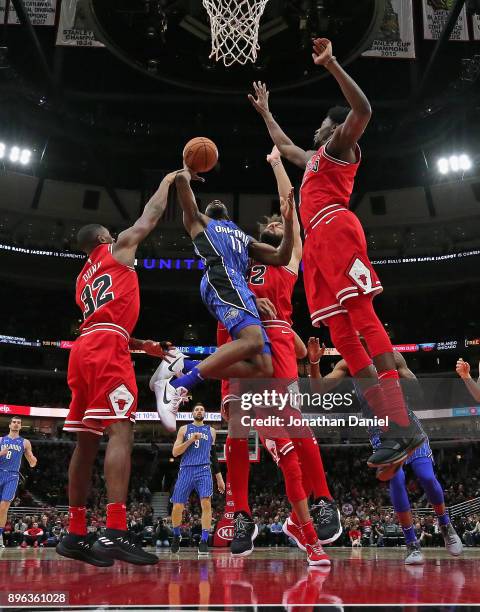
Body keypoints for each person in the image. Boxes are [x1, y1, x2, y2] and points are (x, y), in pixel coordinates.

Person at [249, 38, 424, 472]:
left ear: (333, 127)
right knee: (343, 338)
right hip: (318, 246)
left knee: (364, 319)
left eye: (321, 125)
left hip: (339, 229)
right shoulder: (311, 158)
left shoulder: (341, 146)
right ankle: (386, 422)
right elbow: (284, 144)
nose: (314, 131)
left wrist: (331, 64)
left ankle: (402, 421)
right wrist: (267, 112)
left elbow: (363, 110)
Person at [219, 147, 338, 564]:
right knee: (236, 426)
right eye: (266, 223)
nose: (273, 223)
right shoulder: (240, 259)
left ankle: (318, 506)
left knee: (290, 429)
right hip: (240, 336)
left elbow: (291, 207)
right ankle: (239, 514)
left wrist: (274, 164)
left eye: (277, 223)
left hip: (280, 339)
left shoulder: (288, 259)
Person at [57, 171, 177, 567]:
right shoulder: (117, 250)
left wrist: (144, 345)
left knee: (86, 440)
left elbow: (106, 319)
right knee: (121, 429)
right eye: (112, 232)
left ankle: (75, 534)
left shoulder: (80, 280)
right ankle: (114, 531)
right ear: (104, 239)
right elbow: (150, 216)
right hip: (108, 349)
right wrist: (168, 181)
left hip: (85, 348)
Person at [150, 165, 294, 431]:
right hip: (220, 277)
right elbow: (186, 197)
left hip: (239, 287)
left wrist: (287, 220)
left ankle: (183, 364)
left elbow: (282, 257)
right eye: (212, 202)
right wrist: (185, 172)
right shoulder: (200, 221)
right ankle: (178, 386)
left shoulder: (243, 237)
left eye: (221, 202)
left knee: (264, 368)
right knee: (251, 341)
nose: (217, 202)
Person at [308, 337, 463, 564]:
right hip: (379, 429)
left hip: (405, 422)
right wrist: (313, 364)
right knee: (397, 479)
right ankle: (412, 543)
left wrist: (407, 380)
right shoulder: (347, 362)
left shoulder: (392, 356)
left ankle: (445, 525)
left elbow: (416, 388)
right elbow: (318, 389)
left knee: (427, 477)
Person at [170, 403, 225, 555]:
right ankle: (176, 535)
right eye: (197, 409)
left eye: (202, 409)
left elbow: (213, 456)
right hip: (186, 469)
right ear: (192, 413)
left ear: (204, 414)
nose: (199, 411)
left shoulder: (211, 431)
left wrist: (219, 478)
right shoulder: (184, 429)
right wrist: (190, 440)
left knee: (206, 504)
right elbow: (175, 452)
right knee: (177, 507)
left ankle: (204, 539)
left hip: (204, 470)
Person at [0, 417, 37, 548]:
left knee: (4, 506)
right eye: (14, 422)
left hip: (12, 475)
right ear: (9, 425)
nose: (16, 424)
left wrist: (33, 460)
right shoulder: (1, 440)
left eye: (19, 423)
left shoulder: (25, 442)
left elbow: (32, 462)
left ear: (21, 426)